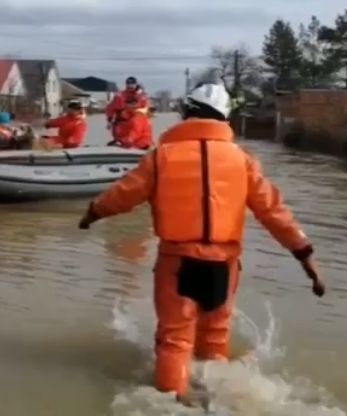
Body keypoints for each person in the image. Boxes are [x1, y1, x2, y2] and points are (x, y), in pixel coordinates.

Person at [77, 83, 326, 408]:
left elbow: (123, 195)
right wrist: (306, 258)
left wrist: (92, 214)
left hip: (178, 263)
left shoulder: (162, 157)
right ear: (223, 118)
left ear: (187, 113)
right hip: (224, 266)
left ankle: (169, 404)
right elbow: (274, 213)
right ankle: (218, 400)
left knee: (174, 341)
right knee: (213, 338)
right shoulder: (243, 160)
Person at [105, 76, 148, 141]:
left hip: (136, 125)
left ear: (136, 84)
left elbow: (145, 109)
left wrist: (137, 95)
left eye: (132, 84)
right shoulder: (120, 95)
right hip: (121, 124)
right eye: (128, 84)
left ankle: (133, 139)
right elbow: (111, 108)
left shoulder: (141, 96)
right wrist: (109, 120)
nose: (130, 86)